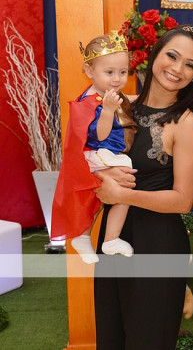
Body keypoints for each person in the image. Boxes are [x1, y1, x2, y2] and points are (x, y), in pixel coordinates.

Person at [92, 24, 193, 350]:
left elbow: (183, 200)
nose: (177, 68)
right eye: (172, 56)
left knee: (149, 340)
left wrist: (123, 194)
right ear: (155, 56)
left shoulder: (186, 123)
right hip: (113, 238)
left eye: (190, 65)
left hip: (159, 243)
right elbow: (86, 155)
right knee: (111, 338)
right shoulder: (120, 105)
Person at [51, 31, 137, 264]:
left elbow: (125, 99)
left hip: (103, 154)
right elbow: (100, 134)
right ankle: (110, 238)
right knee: (125, 189)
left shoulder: (104, 93)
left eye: (122, 72)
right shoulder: (89, 103)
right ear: (90, 71)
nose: (117, 78)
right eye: (109, 72)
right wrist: (108, 111)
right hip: (98, 155)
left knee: (102, 196)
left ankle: (84, 235)